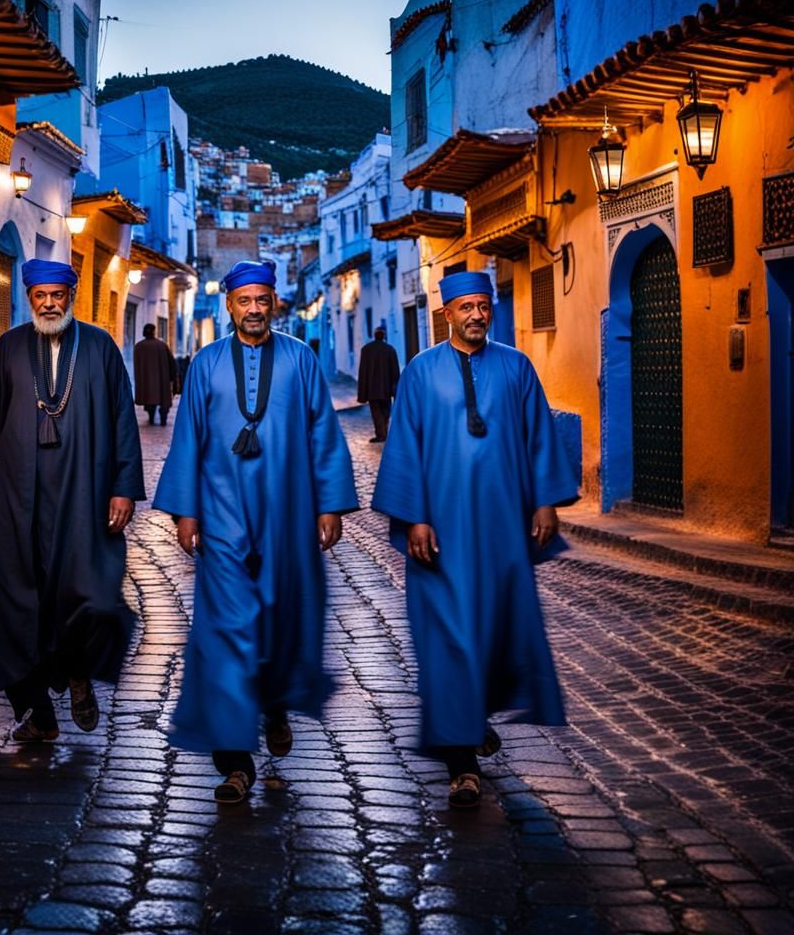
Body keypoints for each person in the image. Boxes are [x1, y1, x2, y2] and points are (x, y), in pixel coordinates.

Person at [153, 259, 358, 803]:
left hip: (287, 516)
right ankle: (234, 761)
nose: (254, 309)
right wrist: (185, 511)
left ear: (274, 302)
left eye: (262, 299)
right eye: (244, 301)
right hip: (221, 520)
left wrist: (330, 505)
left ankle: (273, 705)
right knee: (224, 633)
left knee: (278, 621)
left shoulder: (301, 359)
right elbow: (189, 437)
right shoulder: (204, 363)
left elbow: (323, 433)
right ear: (230, 306)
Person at [372, 271, 578, 807]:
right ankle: (462, 762)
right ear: (448, 314)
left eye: (483, 306)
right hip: (439, 537)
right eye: (466, 307)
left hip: (502, 533)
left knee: (493, 635)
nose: (477, 316)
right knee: (446, 642)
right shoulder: (419, 373)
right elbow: (405, 446)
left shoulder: (517, 367)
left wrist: (545, 500)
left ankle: (472, 717)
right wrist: (414, 517)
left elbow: (539, 436)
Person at [0, 259, 144, 742]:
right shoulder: (10, 347)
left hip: (86, 494)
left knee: (87, 593)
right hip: (20, 499)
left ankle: (78, 674)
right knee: (17, 599)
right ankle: (37, 711)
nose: (50, 303)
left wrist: (123, 488)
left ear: (71, 296)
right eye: (41, 295)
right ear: (29, 297)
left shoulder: (99, 346)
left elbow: (123, 419)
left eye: (58, 294)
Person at [357, 326, 401, 442]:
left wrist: (363, 391)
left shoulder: (366, 350)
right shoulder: (390, 350)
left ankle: (381, 434)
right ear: (384, 336)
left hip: (372, 389)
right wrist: (395, 388)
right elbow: (395, 371)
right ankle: (383, 432)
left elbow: (363, 371)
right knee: (385, 412)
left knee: (376, 413)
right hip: (386, 389)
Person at [133, 323, 176, 425]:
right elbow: (172, 362)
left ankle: (151, 418)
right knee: (164, 400)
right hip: (162, 380)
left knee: (149, 400)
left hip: (147, 381)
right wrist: (173, 377)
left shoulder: (139, 347)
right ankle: (163, 420)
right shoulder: (162, 346)